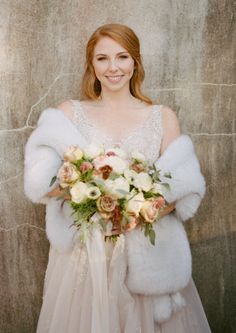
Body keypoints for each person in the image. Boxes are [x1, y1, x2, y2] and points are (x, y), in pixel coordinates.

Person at [24, 23, 211, 332]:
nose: (113, 68)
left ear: (135, 62)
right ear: (91, 65)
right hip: (86, 258)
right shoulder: (68, 113)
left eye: (122, 57)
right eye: (102, 59)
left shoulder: (162, 117)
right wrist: (85, 188)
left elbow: (180, 190)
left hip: (148, 257)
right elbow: (42, 183)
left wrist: (138, 212)